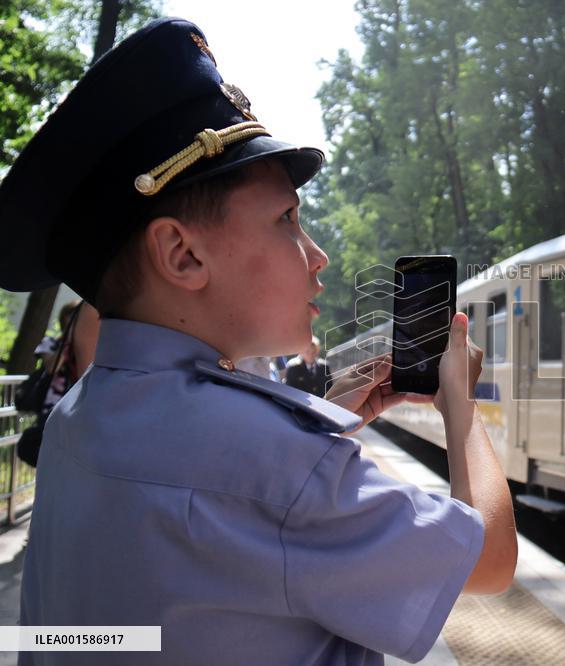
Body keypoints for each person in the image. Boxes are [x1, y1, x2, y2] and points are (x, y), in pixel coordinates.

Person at [0, 18, 515, 666]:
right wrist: (461, 408)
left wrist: (312, 438)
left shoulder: (77, 420)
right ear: (182, 255)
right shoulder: (274, 468)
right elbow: (490, 559)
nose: (318, 255)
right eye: (287, 219)